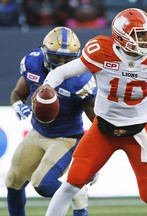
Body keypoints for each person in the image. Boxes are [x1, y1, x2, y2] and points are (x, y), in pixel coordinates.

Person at [37, 8, 147, 216]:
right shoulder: (101, 51)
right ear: (122, 35)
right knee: (71, 184)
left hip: (138, 134)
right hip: (102, 130)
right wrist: (47, 86)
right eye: (140, 34)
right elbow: (62, 71)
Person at [6, 26, 98, 216]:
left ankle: (76, 192)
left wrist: (95, 158)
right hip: (37, 133)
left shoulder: (80, 80)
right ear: (45, 53)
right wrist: (17, 105)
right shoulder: (33, 62)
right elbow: (18, 93)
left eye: (68, 58)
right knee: (13, 181)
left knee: (44, 184)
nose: (63, 63)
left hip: (66, 139)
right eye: (57, 57)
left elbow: (97, 121)